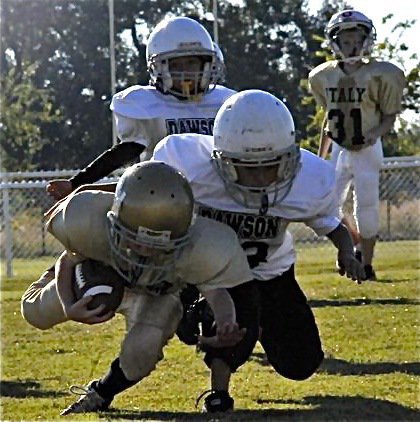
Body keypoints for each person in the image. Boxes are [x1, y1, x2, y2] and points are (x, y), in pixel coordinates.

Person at [150, 89, 365, 412]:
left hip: (272, 273)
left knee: (301, 364)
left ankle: (260, 324)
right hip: (216, 275)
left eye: (271, 166)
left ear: (289, 158)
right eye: (248, 167)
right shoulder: (190, 166)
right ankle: (219, 392)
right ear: (220, 158)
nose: (261, 178)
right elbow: (147, 193)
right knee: (225, 325)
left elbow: (330, 224)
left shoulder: (307, 181)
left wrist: (346, 251)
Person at [37, 16, 235, 339]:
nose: (187, 74)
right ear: (158, 67)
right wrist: (76, 183)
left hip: (213, 200)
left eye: (194, 64)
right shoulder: (145, 105)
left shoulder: (225, 103)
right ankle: (75, 282)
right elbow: (124, 152)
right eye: (178, 64)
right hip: (156, 207)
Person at [21, 161, 253, 415]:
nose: (146, 251)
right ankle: (48, 280)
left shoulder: (199, 247)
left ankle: (100, 392)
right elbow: (68, 260)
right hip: (104, 279)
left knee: (141, 352)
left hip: (157, 296)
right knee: (34, 313)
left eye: (159, 244)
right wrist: (69, 305)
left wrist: (226, 323)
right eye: (137, 241)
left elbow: (216, 292)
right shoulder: (91, 225)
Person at [308, 9, 406, 280]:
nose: (351, 46)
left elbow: (389, 116)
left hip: (367, 147)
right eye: (346, 40)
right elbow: (330, 118)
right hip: (339, 147)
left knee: (368, 208)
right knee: (326, 204)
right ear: (335, 43)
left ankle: (368, 264)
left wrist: (374, 134)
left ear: (366, 40)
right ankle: (354, 246)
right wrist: (321, 155)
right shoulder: (323, 76)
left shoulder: (379, 74)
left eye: (356, 39)